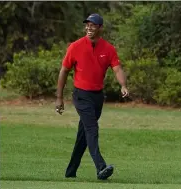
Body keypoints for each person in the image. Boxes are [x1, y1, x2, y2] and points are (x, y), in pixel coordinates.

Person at [55, 13, 129, 180]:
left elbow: (117, 69)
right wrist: (59, 98)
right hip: (81, 95)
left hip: (97, 97)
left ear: (100, 28)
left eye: (93, 25)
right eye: (87, 25)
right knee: (92, 129)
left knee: (83, 135)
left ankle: (70, 172)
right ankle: (101, 168)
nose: (89, 27)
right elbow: (64, 71)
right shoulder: (75, 46)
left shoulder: (109, 49)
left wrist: (123, 85)